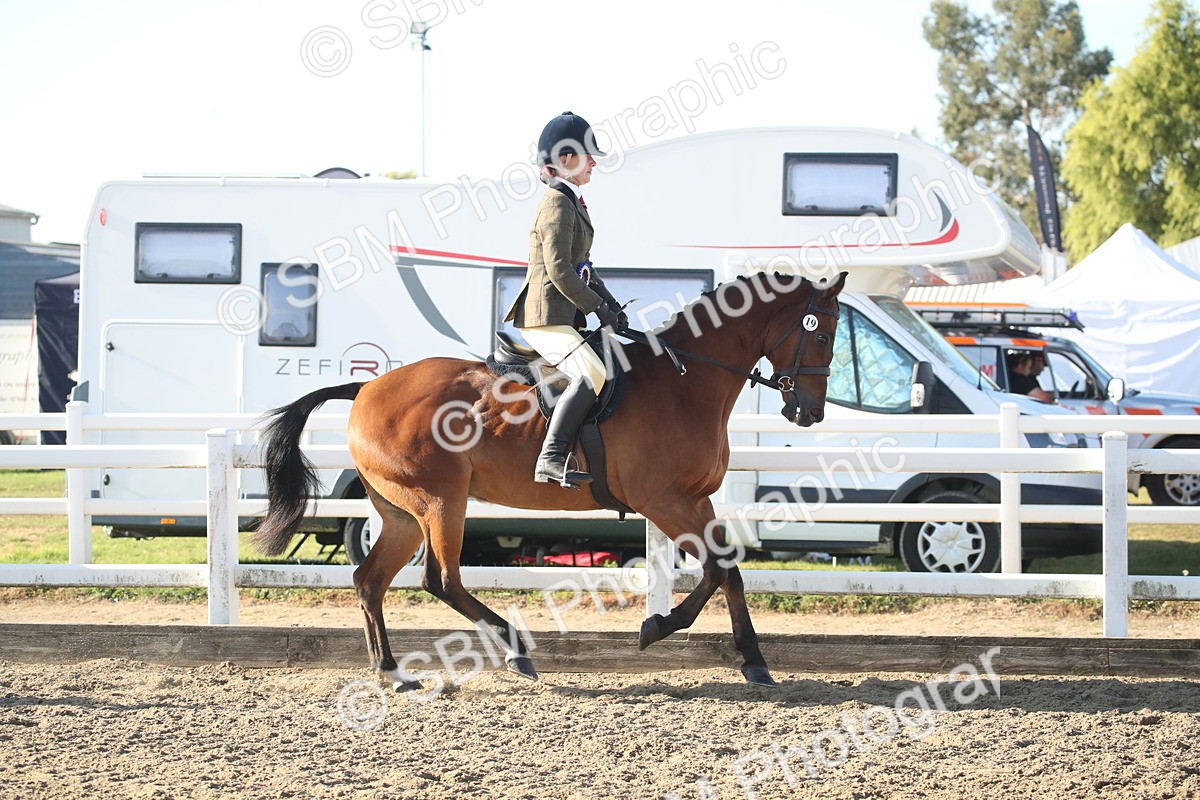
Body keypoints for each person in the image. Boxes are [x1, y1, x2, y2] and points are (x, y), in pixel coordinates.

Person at [502, 111, 626, 488]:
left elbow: (583, 266)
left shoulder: (571, 201)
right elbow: (558, 270)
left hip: (561, 315)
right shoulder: (556, 203)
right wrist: (596, 307)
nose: (594, 164)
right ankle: (551, 459)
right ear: (567, 159)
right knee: (591, 373)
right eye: (589, 157)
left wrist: (610, 304)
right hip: (544, 316)